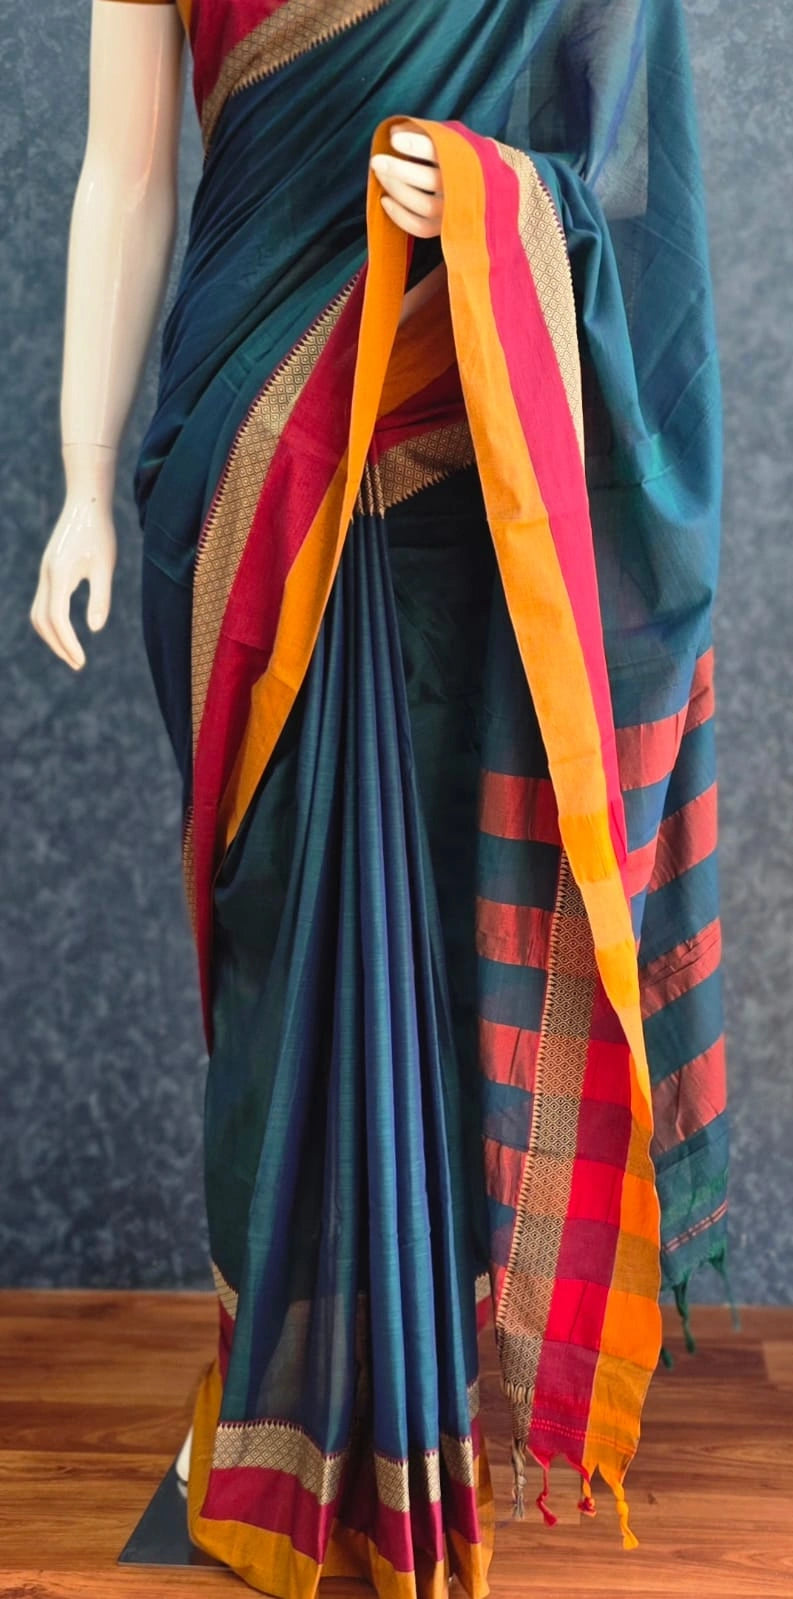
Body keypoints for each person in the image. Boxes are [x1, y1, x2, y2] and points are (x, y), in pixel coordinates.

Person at [31, 3, 731, 1596]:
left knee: (447, 943)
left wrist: (503, 200)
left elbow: (627, 176)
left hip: (453, 459)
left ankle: (416, 1394)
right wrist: (80, 485)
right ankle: (273, 1401)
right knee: (278, 959)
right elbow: (123, 173)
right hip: (240, 470)